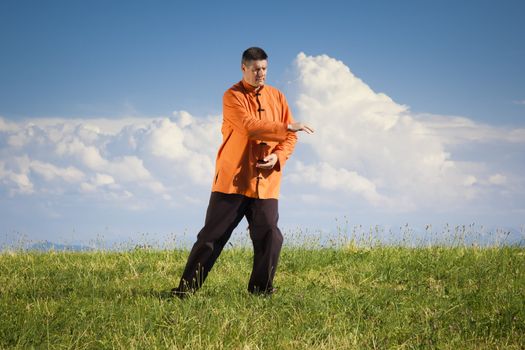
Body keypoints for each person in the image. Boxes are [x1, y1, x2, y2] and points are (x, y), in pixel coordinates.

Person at [171, 47, 313, 298]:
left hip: (266, 182)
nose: (261, 74)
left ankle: (260, 291)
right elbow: (250, 127)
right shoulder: (232, 96)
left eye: (265, 69)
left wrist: (277, 156)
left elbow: (289, 140)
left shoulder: (278, 97)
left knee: (271, 235)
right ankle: (185, 291)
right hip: (233, 181)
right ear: (244, 68)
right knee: (211, 238)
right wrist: (288, 125)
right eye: (256, 69)